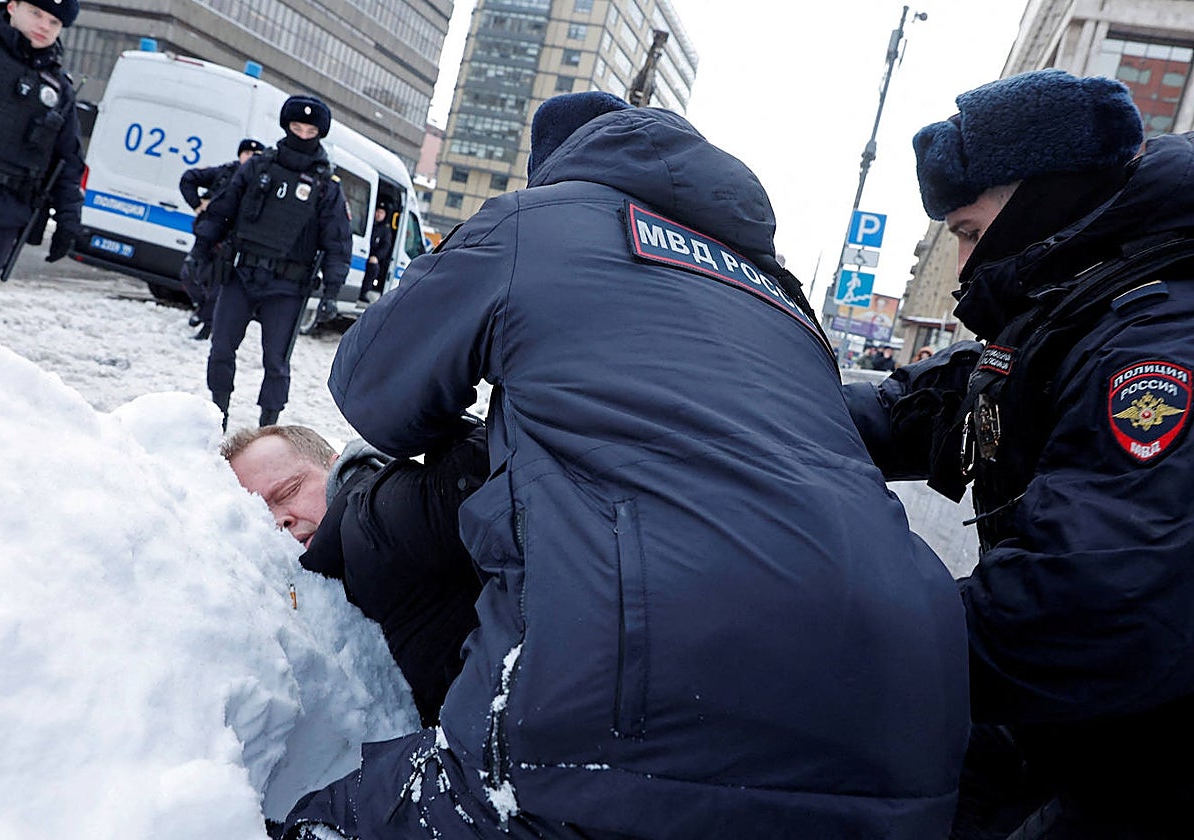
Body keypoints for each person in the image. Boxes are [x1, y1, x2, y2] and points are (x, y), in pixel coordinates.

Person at [277, 92, 969, 839]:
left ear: (556, 169)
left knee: (338, 820)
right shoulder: (785, 300)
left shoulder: (532, 222)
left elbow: (373, 393)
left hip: (631, 704)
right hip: (906, 731)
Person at [844, 69, 1194, 838]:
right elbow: (934, 404)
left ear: (1041, 198)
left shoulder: (1158, 340)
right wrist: (761, 405)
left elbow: (1090, 605)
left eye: (969, 232)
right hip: (1073, 726)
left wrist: (842, 639)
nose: (965, 267)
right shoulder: (1081, 307)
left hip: (1145, 763)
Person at [222, 417, 488, 727]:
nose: (280, 520)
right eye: (261, 517)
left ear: (336, 466)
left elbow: (486, 478)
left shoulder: (370, 517)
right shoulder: (327, 572)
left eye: (288, 491)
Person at [191, 94, 351, 429]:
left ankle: (268, 429)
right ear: (285, 126)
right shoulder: (258, 166)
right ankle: (217, 417)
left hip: (287, 287)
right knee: (221, 349)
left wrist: (332, 292)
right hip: (241, 274)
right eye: (296, 127)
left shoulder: (325, 186)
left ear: (320, 134)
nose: (303, 135)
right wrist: (199, 251)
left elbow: (337, 241)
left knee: (276, 363)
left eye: (310, 130)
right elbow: (222, 211)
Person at [0, 0, 83, 288]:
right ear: (12, 7)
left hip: (5, 213)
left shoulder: (58, 88)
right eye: (36, 13)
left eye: (54, 22)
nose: (44, 26)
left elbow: (67, 159)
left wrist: (69, 219)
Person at [178, 138, 265, 339]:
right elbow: (189, 178)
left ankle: (206, 324)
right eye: (247, 154)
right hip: (207, 234)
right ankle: (203, 309)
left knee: (218, 286)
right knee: (189, 273)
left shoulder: (258, 182)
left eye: (254, 156)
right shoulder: (225, 171)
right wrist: (197, 204)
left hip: (230, 242)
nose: (250, 158)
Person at [358, 198, 394, 304]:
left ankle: (363, 292)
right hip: (363, 252)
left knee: (374, 268)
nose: (378, 215)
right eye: (377, 211)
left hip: (372, 257)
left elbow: (385, 246)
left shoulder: (385, 230)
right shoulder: (368, 223)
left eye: (381, 213)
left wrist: (376, 257)